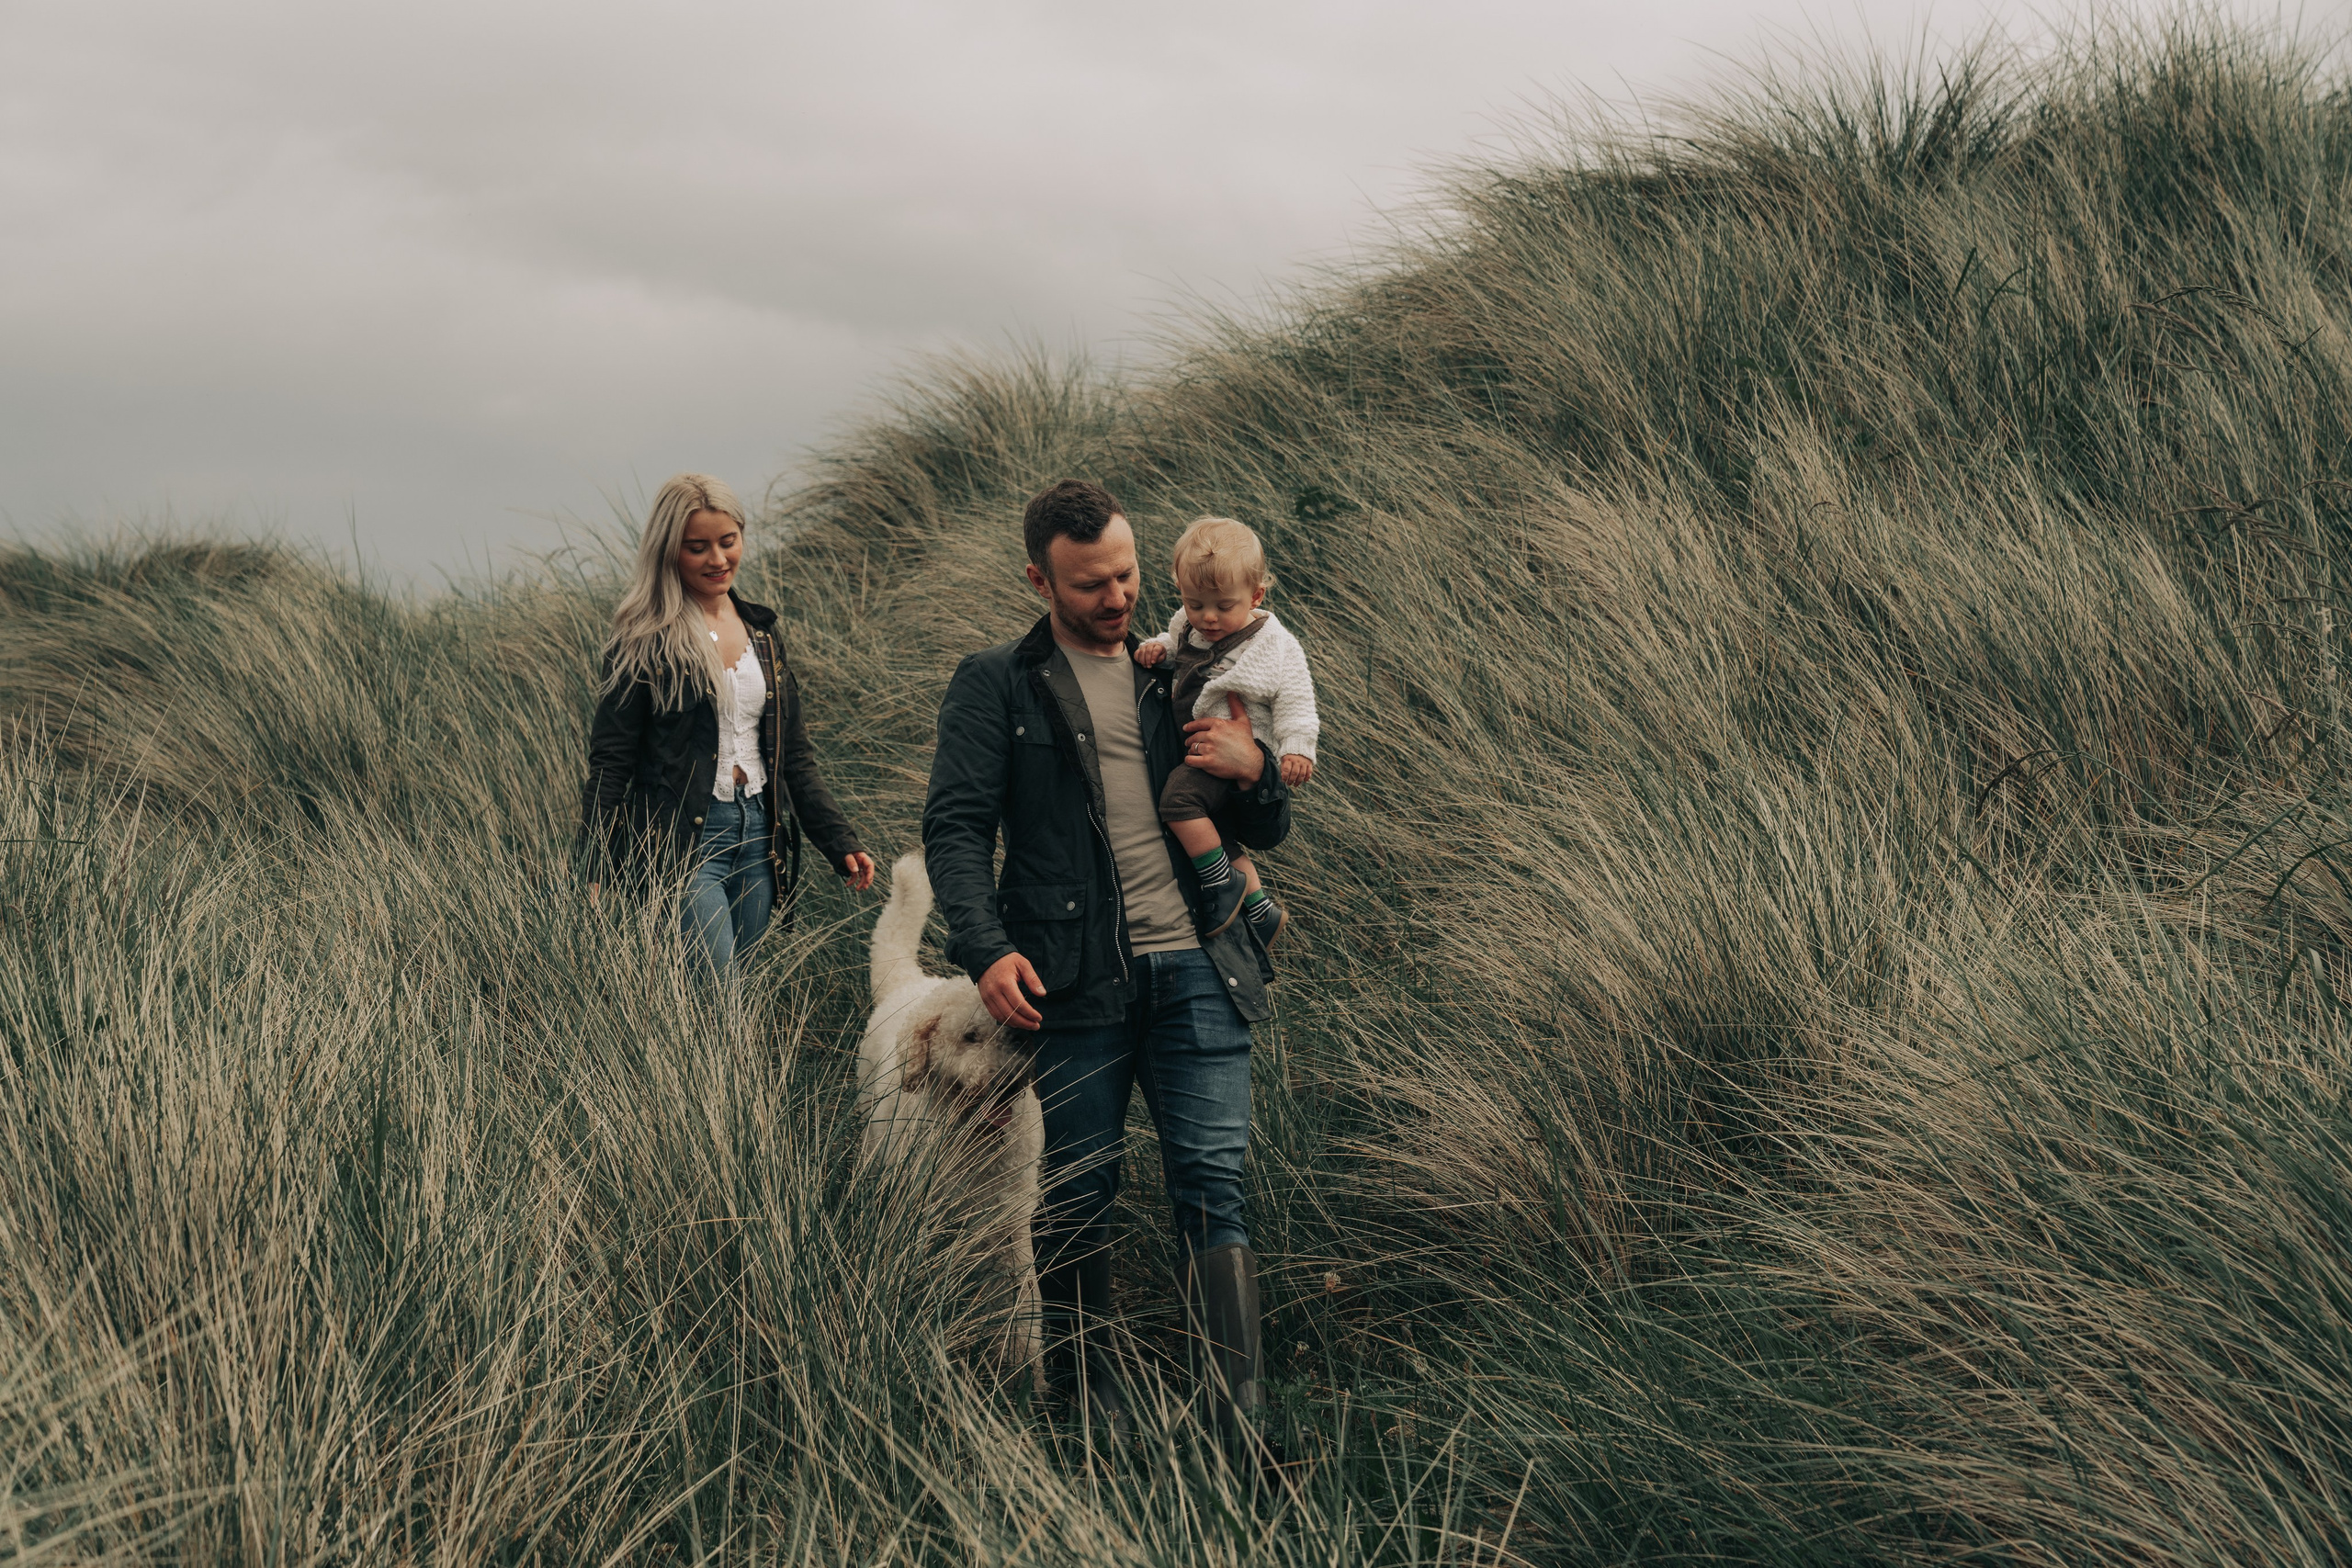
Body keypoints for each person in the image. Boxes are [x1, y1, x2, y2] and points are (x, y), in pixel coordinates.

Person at [922, 478, 1291, 1448]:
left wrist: (1256, 777)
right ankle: (1086, 1414)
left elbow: (1260, 821)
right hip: (1070, 984)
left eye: (1127, 574)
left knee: (1214, 1183)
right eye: (1090, 584)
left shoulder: (1178, 673)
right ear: (1039, 578)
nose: (1117, 597)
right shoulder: (995, 681)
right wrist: (987, 948)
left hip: (1204, 969)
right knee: (1077, 1186)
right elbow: (956, 830)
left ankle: (1235, 1418)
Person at [581, 473, 876, 982]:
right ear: (668, 551)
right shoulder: (642, 639)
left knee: (743, 988)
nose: (717, 559)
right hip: (684, 842)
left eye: (727, 541)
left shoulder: (763, 632)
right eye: (697, 547)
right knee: (716, 993)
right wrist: (593, 865)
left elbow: (794, 756)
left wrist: (839, 841)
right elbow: (611, 761)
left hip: (761, 834)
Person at [1133, 515, 1318, 946]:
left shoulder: (1275, 646)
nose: (1207, 617)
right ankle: (1261, 912)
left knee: (1178, 801)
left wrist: (1297, 749)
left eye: (1223, 606)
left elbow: (1296, 701)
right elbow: (1180, 650)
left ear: (1255, 596)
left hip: (1237, 749)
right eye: (1195, 604)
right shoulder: (1188, 624)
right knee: (1220, 834)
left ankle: (1221, 884)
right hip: (1198, 749)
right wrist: (1159, 646)